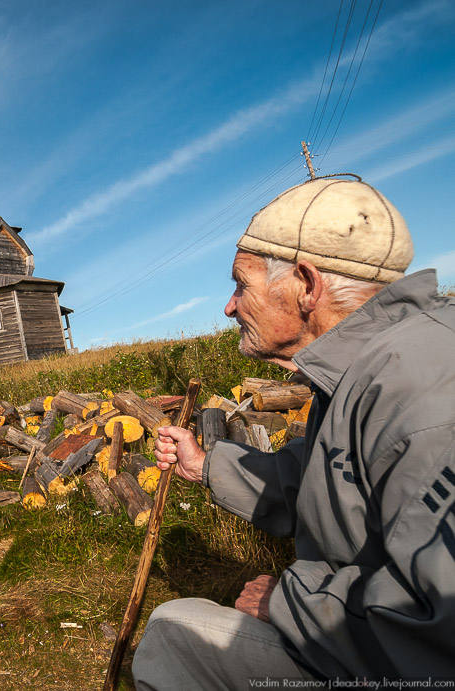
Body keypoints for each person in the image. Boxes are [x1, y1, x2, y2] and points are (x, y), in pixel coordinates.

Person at [132, 175, 455, 689]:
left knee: (174, 634)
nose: (229, 306)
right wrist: (204, 463)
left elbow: (439, 615)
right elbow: (314, 479)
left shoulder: (422, 391)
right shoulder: (358, 373)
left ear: (306, 285)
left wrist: (291, 599)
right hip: (368, 643)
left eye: (241, 284)